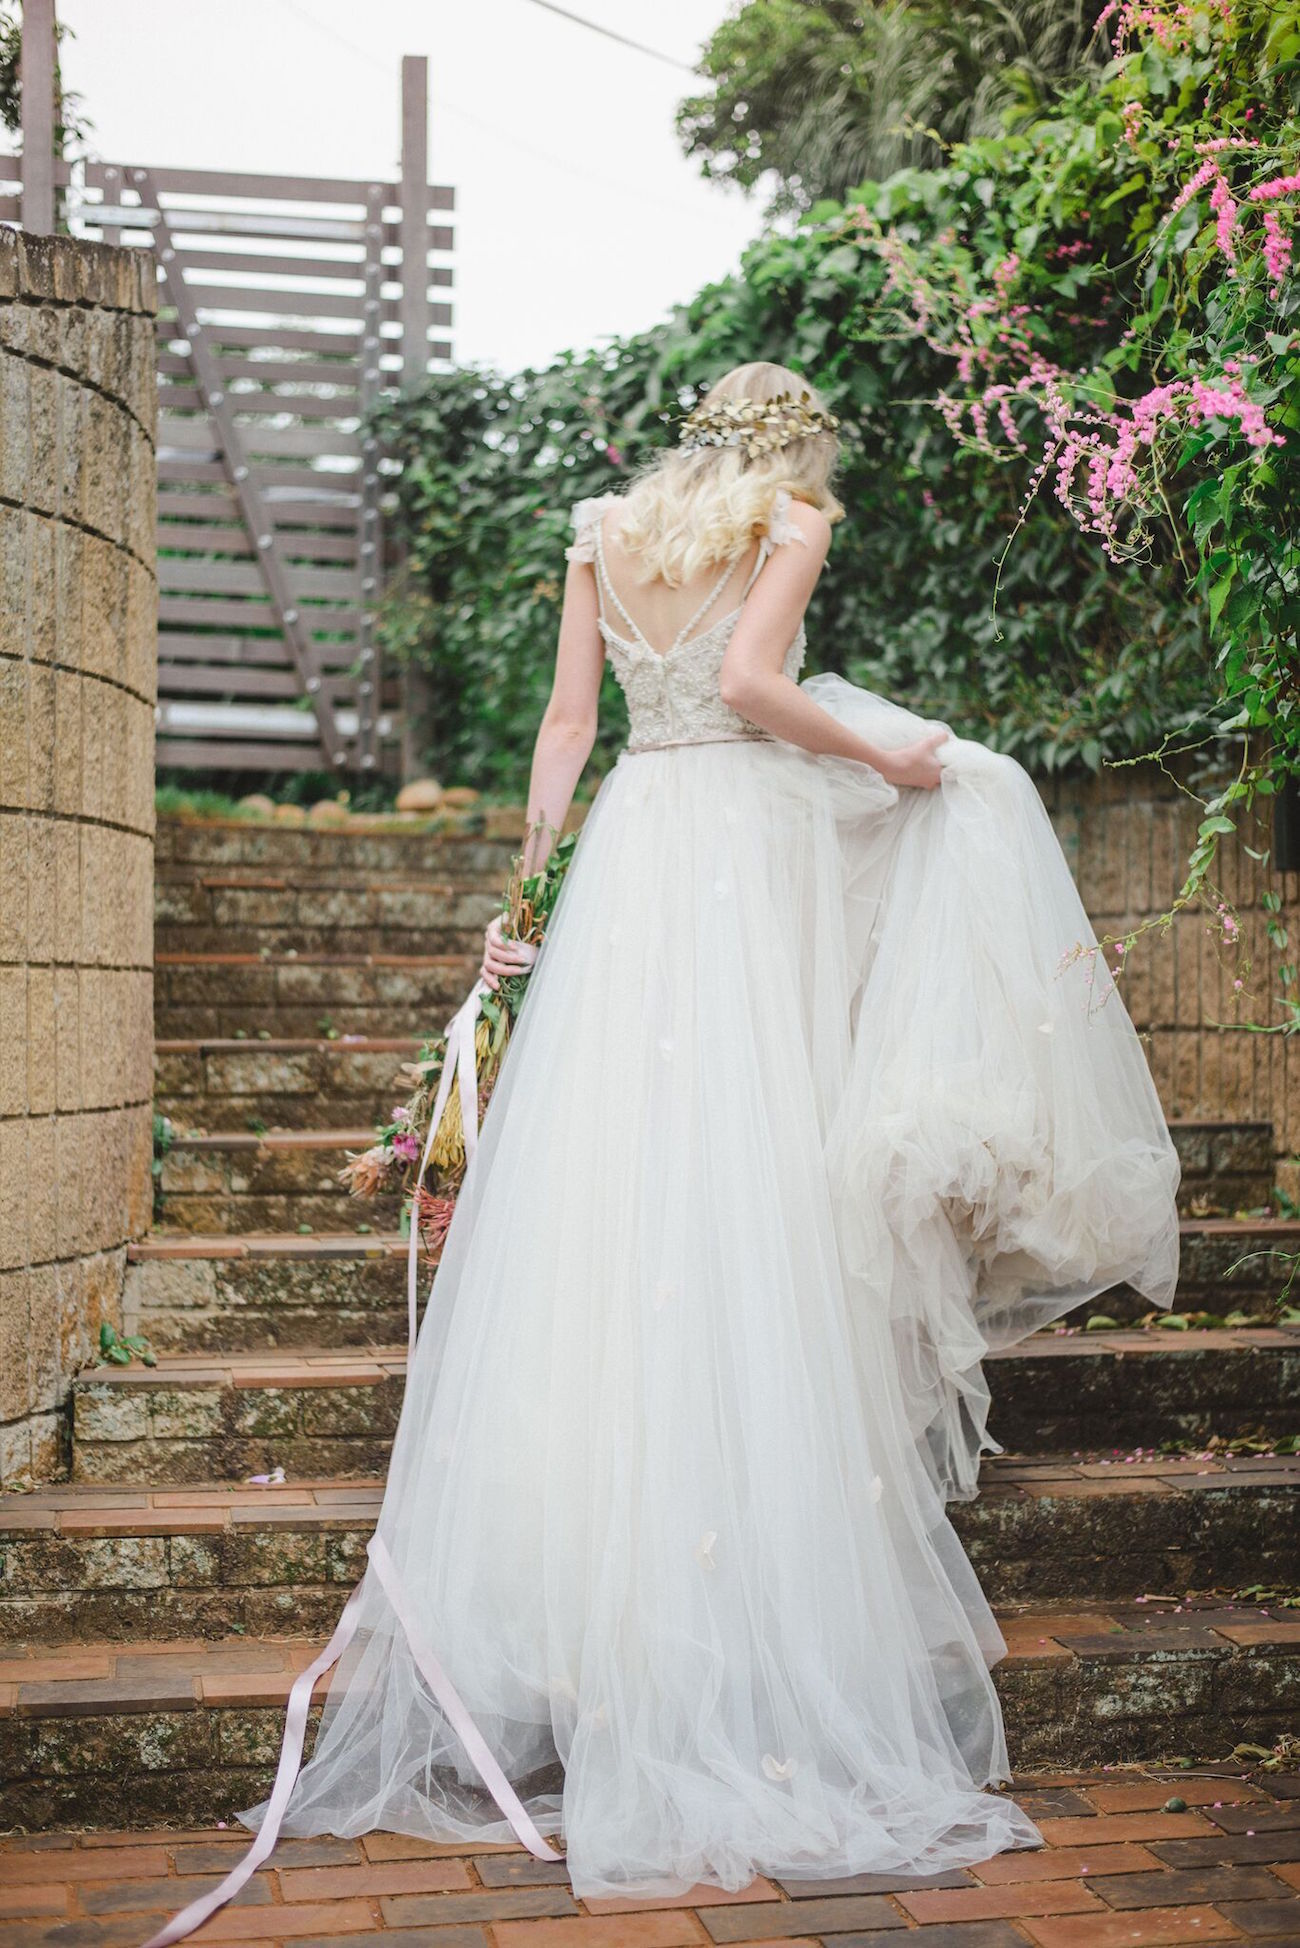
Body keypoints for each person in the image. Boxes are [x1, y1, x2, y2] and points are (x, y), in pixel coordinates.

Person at [147, 361, 1180, 1945]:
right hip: (737, 852)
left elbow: (572, 722)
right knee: (750, 1174)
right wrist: (894, 763)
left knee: (617, 1190)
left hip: (636, 845)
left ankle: (589, 1610)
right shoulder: (795, 513)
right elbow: (763, 685)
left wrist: (534, 889)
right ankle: (738, 1620)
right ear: (800, 440)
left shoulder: (606, 524)